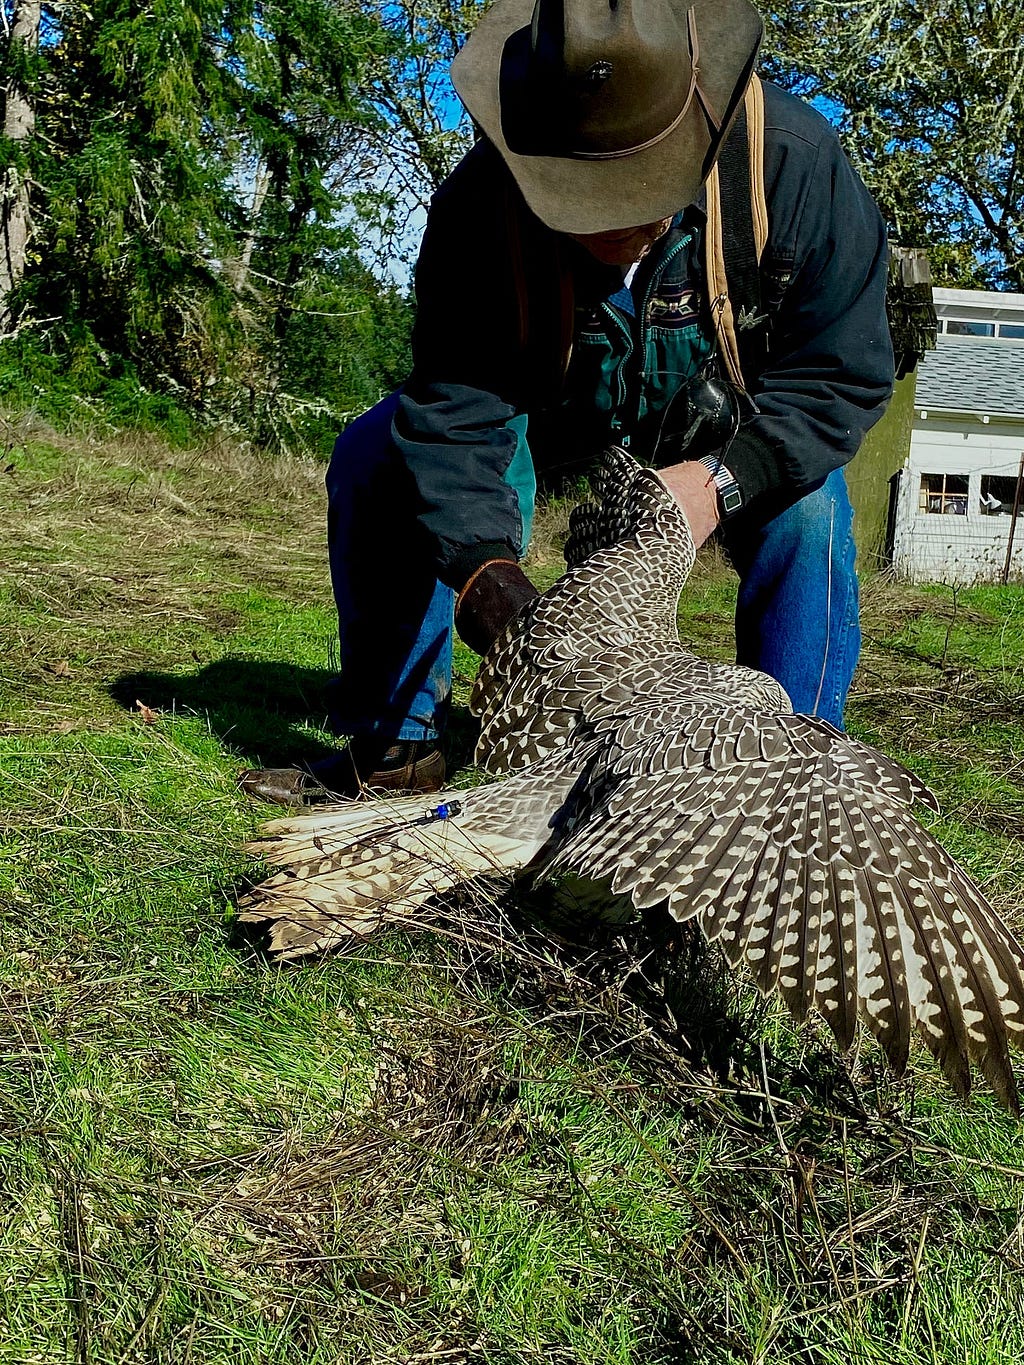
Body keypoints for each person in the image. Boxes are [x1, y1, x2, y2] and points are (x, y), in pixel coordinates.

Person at [241, 0, 894, 806]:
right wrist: (498, 595)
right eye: (587, 195)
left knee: (811, 506)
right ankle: (397, 749)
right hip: (549, 411)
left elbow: (840, 379)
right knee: (376, 452)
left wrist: (719, 481)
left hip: (723, 420)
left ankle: (791, 784)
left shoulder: (794, 166)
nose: (620, 214)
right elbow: (454, 415)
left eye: (642, 186)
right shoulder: (477, 208)